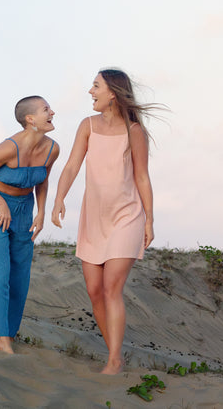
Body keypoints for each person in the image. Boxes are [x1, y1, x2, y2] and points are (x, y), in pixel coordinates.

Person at [52, 68, 158, 374]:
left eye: (95, 86)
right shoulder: (87, 125)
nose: (90, 91)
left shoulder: (134, 131)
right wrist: (60, 198)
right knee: (94, 289)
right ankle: (117, 352)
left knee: (112, 287)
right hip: (93, 218)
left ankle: (113, 360)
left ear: (112, 92)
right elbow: (72, 165)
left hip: (127, 215)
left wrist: (149, 219)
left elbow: (141, 176)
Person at [0, 96, 59, 354]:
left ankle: (11, 332)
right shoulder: (9, 148)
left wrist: (41, 212)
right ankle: (3, 340)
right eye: (46, 109)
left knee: (20, 277)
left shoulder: (53, 149)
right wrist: (0, 203)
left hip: (24, 212)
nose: (52, 112)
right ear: (30, 119)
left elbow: (42, 181)